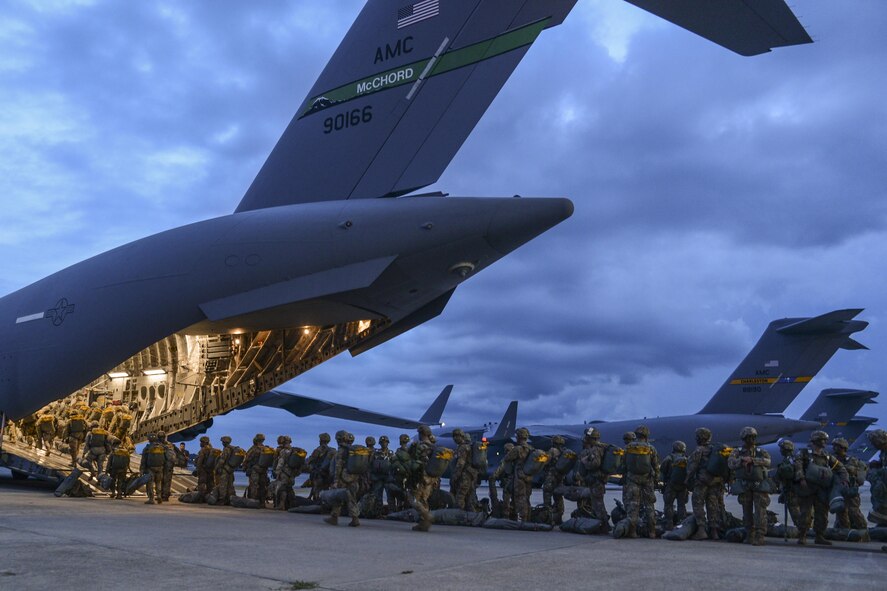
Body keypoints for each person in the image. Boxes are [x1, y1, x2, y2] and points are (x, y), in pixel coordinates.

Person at [795, 431, 848, 545]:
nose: (824, 442)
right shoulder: (804, 453)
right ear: (815, 441)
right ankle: (802, 535)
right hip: (807, 488)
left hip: (821, 489)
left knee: (822, 514)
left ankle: (819, 536)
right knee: (805, 513)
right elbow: (798, 465)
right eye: (822, 440)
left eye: (825, 440)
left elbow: (840, 467)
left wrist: (844, 479)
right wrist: (801, 478)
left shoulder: (827, 456)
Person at [728, 427, 771, 545]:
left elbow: (768, 461)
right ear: (744, 438)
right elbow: (731, 464)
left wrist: (753, 460)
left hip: (759, 485)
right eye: (749, 437)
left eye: (753, 437)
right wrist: (742, 460)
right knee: (746, 511)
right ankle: (749, 534)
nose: (752, 439)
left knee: (760, 511)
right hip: (744, 485)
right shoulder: (737, 451)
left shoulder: (760, 451)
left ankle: (760, 535)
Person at [686, 427, 723, 540]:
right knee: (713, 506)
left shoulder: (699, 450)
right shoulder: (715, 450)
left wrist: (687, 479)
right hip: (715, 483)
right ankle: (714, 532)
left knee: (698, 504)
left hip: (702, 482)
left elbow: (692, 467)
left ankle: (701, 530)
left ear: (699, 437)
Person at [623, 425, 659, 538]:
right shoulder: (650, 448)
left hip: (632, 479)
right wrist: (657, 479)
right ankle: (652, 532)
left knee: (633, 505)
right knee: (649, 505)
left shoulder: (628, 447)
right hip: (647, 479)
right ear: (647, 435)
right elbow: (656, 465)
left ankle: (632, 532)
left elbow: (623, 464)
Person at [324, 431, 361, 527]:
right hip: (353, 478)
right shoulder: (352, 450)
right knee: (352, 498)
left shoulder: (341, 450)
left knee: (338, 497)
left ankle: (334, 517)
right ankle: (354, 518)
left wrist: (336, 481)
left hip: (343, 479)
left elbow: (338, 467)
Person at [831, 437, 867, 531]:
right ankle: (845, 530)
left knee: (854, 511)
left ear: (843, 448)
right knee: (841, 511)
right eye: (834, 446)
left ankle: (863, 529)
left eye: (836, 446)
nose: (834, 448)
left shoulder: (851, 459)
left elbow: (851, 469)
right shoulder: (833, 459)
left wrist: (838, 467)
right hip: (839, 489)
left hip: (850, 489)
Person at [578, 428, 610, 532]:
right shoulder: (603, 447)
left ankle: (604, 526)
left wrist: (584, 462)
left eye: (587, 437)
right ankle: (602, 525)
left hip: (596, 480)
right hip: (599, 480)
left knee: (598, 505)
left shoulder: (596, 449)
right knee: (598, 503)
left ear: (591, 438)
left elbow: (595, 464)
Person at [407, 425, 437, 532]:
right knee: (424, 499)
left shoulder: (421, 446)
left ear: (421, 433)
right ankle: (423, 524)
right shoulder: (433, 446)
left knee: (413, 498)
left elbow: (416, 461)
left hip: (421, 476)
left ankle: (427, 516)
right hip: (431, 478)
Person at [774, 440, 803, 530]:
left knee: (796, 514)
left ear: (785, 449)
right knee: (798, 514)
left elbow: (790, 476)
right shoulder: (791, 460)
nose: (780, 451)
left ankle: (803, 532)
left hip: (792, 491)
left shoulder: (790, 461)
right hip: (792, 490)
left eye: (781, 449)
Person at [660, 441, 689, 530]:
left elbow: (662, 470)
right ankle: (682, 523)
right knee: (682, 505)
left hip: (671, 485)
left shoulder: (669, 458)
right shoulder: (686, 459)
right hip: (683, 486)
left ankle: (669, 523)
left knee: (668, 504)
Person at [450, 428, 479, 511]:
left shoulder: (463, 448)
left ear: (461, 436)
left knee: (460, 496)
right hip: (471, 475)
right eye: (454, 436)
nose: (455, 438)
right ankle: (471, 515)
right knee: (469, 497)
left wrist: (455, 476)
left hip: (465, 475)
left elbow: (460, 464)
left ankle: (459, 516)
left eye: (457, 436)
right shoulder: (467, 446)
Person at [542, 435, 568, 525]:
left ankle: (548, 517)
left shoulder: (552, 451)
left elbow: (545, 461)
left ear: (553, 442)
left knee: (547, 495)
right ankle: (559, 518)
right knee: (558, 497)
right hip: (560, 478)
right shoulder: (563, 452)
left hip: (551, 477)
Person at [243, 433, 271, 506]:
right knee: (262, 486)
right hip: (264, 470)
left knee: (253, 486)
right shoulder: (266, 448)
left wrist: (244, 466)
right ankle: (262, 503)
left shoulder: (254, 448)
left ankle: (253, 501)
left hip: (255, 469)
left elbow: (247, 458)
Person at [140, 433, 168, 505]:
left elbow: (143, 460)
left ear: (149, 439)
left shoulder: (147, 448)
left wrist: (142, 469)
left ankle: (151, 499)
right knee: (158, 483)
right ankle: (159, 496)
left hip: (151, 468)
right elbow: (166, 458)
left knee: (150, 484)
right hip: (160, 468)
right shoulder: (162, 447)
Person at [490, 442, 515, 519]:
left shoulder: (506, 459)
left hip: (508, 482)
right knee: (515, 500)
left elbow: (500, 469)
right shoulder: (517, 459)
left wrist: (493, 477)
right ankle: (514, 516)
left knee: (506, 500)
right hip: (517, 482)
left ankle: (506, 516)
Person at [306, 433, 334, 501]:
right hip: (328, 474)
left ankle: (317, 503)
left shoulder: (318, 450)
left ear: (321, 440)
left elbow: (311, 460)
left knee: (316, 490)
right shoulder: (332, 450)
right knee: (326, 490)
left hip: (319, 473)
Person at [389, 434, 413, 512]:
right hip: (408, 475)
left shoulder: (398, 451)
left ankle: (399, 508)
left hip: (399, 476)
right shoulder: (411, 450)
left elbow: (394, 464)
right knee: (408, 493)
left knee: (399, 493)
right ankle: (407, 509)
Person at [371, 435, 395, 511]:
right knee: (378, 496)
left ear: (388, 443)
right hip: (378, 477)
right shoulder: (376, 453)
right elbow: (371, 464)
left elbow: (394, 465)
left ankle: (391, 512)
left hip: (388, 477)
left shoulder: (391, 453)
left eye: (385, 442)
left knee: (390, 496)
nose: (384, 444)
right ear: (380, 443)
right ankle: (378, 512)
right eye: (382, 442)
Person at [211, 436, 237, 505]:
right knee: (230, 485)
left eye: (222, 442)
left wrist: (216, 468)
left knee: (223, 485)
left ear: (225, 442)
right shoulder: (233, 449)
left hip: (225, 470)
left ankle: (222, 500)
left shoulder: (226, 449)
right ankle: (230, 499)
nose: (222, 443)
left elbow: (222, 461)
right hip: (230, 470)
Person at [193, 435, 217, 500]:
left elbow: (200, 461)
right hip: (210, 470)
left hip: (203, 470)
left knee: (201, 484)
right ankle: (208, 497)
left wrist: (197, 470)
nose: (200, 443)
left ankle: (201, 498)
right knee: (210, 484)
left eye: (201, 442)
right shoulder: (212, 449)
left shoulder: (203, 450)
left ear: (204, 442)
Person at [157, 431, 177, 502]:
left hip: (166, 465)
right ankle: (162, 495)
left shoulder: (162, 445)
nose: (161, 439)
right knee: (163, 480)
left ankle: (165, 496)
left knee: (165, 481)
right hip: (166, 465)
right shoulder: (169, 445)